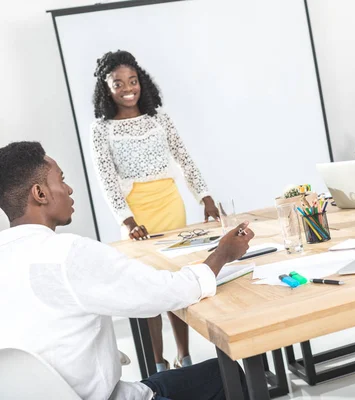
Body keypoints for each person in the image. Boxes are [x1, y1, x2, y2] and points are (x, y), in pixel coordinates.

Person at [0, 141, 251, 400]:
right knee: (229, 375)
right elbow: (164, 292)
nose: (69, 188)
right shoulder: (67, 254)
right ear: (40, 193)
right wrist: (222, 254)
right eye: (61, 180)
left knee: (219, 374)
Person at [91, 50, 220, 371]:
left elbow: (185, 159)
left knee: (176, 285)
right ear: (106, 89)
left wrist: (205, 197)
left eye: (132, 81)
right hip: (136, 213)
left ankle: (184, 355)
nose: (127, 88)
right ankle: (158, 363)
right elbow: (107, 180)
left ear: (142, 82)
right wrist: (127, 220)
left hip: (169, 203)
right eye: (117, 83)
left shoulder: (159, 119)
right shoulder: (101, 130)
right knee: (147, 291)